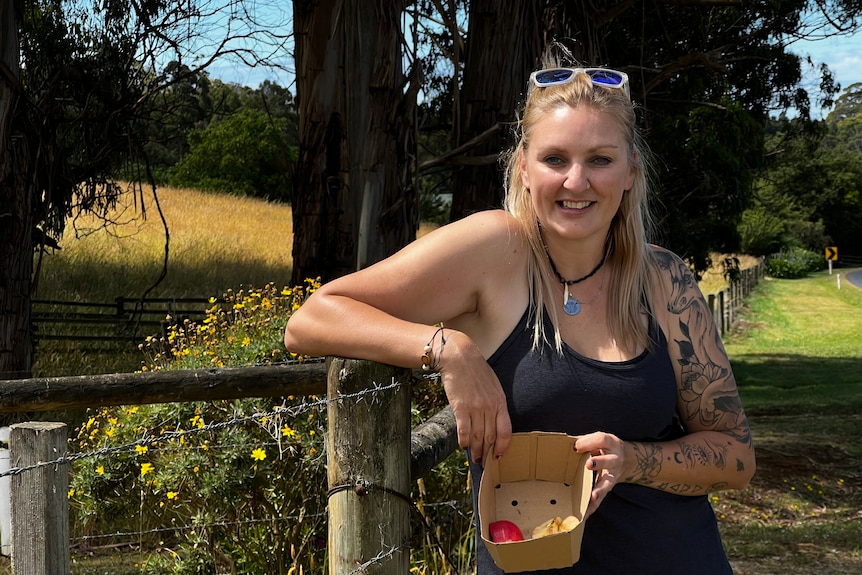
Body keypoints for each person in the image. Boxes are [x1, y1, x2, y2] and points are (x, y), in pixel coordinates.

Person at [284, 50, 755, 574]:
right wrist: (449, 349)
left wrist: (633, 460)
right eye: (555, 159)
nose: (576, 182)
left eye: (600, 159)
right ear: (524, 168)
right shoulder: (496, 252)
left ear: (629, 173)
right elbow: (313, 318)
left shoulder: (663, 280)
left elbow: (735, 457)